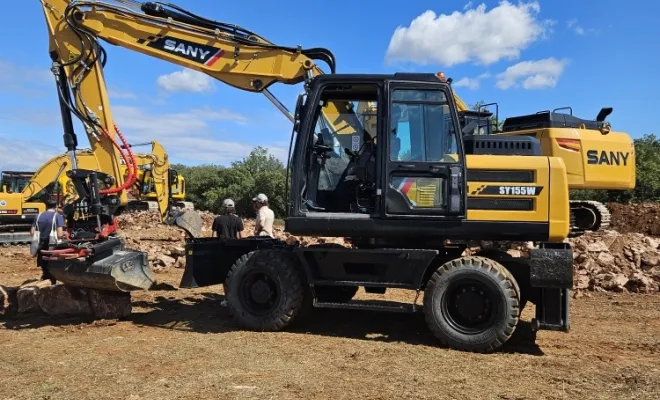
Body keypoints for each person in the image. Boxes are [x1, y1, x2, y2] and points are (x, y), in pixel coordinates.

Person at [30, 200, 65, 283]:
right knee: (52, 261)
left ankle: (45, 276)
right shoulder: (57, 216)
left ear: (46, 206)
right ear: (56, 207)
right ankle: (52, 280)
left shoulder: (38, 215)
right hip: (51, 243)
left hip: (39, 242)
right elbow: (60, 234)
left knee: (43, 261)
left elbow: (32, 232)